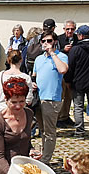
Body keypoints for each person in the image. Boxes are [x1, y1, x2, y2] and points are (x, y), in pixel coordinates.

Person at [33, 31, 69, 164]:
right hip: (39, 98)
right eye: (43, 41)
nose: (46, 44)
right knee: (42, 130)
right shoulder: (39, 59)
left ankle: (46, 160)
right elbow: (35, 75)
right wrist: (33, 83)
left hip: (52, 99)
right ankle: (43, 154)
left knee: (49, 131)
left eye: (49, 41)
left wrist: (52, 53)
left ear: (54, 41)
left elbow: (63, 70)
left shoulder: (61, 56)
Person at [57, 20, 78, 128]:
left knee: (69, 96)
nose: (70, 31)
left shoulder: (77, 39)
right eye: (68, 29)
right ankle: (59, 118)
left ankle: (65, 116)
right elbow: (54, 53)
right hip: (61, 72)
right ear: (64, 29)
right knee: (61, 96)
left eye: (72, 29)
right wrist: (62, 50)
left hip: (73, 72)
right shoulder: (59, 38)